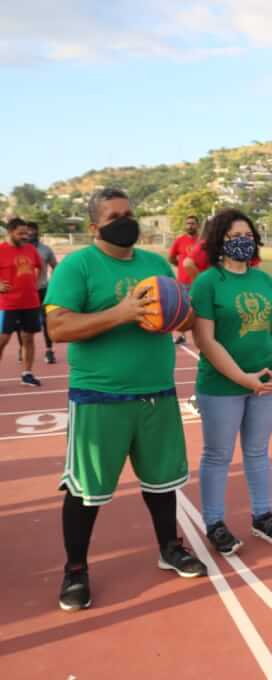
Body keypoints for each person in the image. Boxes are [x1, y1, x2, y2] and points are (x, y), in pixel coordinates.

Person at [47, 188, 207, 612]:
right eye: (115, 215)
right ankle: (76, 569)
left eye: (129, 214)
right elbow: (58, 327)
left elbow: (184, 314)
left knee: (161, 483)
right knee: (86, 490)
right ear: (94, 226)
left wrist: (176, 315)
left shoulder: (154, 263)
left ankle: (169, 548)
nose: (126, 221)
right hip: (99, 395)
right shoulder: (77, 266)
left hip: (156, 392)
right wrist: (121, 313)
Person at [192, 208, 272, 555]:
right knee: (218, 455)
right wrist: (243, 379)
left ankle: (262, 515)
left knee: (257, 451)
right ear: (219, 241)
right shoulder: (207, 282)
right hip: (222, 386)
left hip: (264, 383)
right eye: (235, 237)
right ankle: (215, 522)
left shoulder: (263, 280)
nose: (243, 242)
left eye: (248, 236)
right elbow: (206, 340)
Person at [0, 217, 44, 387]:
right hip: (7, 304)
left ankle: (27, 373)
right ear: (10, 232)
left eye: (26, 233)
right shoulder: (1, 250)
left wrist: (38, 282)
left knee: (28, 338)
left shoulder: (31, 249)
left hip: (30, 302)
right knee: (2, 340)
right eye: (21, 233)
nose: (25, 236)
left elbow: (40, 267)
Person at [24, 221, 59, 364]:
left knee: (47, 321)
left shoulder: (46, 250)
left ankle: (49, 350)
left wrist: (54, 285)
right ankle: (23, 349)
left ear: (37, 232)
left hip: (43, 290)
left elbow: (56, 267)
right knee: (24, 324)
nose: (30, 233)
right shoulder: (19, 250)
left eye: (33, 230)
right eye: (28, 231)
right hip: (25, 292)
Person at [167, 215, 200, 345]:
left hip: (200, 281)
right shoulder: (179, 240)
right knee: (184, 309)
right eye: (187, 223)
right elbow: (171, 258)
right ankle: (181, 335)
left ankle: (204, 335)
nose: (189, 226)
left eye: (192, 223)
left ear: (197, 225)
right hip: (184, 281)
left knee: (202, 309)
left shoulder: (203, 241)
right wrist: (180, 266)